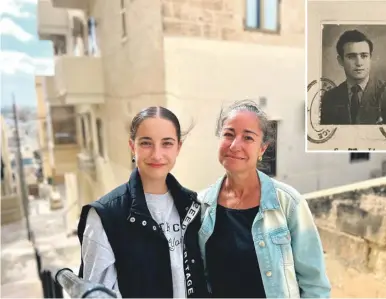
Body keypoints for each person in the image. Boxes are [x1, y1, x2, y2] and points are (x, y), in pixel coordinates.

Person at [198, 101, 331, 298]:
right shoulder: (201, 205)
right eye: (229, 134)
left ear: (262, 149)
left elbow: (315, 285)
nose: (235, 145)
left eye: (248, 138)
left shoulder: (289, 204)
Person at [76, 107, 209, 298]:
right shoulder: (106, 216)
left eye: (167, 143)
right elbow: (97, 293)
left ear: (178, 147)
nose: (157, 154)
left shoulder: (194, 206)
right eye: (146, 143)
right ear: (132, 146)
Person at [320, 29, 386, 125]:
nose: (359, 63)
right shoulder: (330, 98)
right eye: (351, 56)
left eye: (364, 56)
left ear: (370, 58)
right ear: (340, 61)